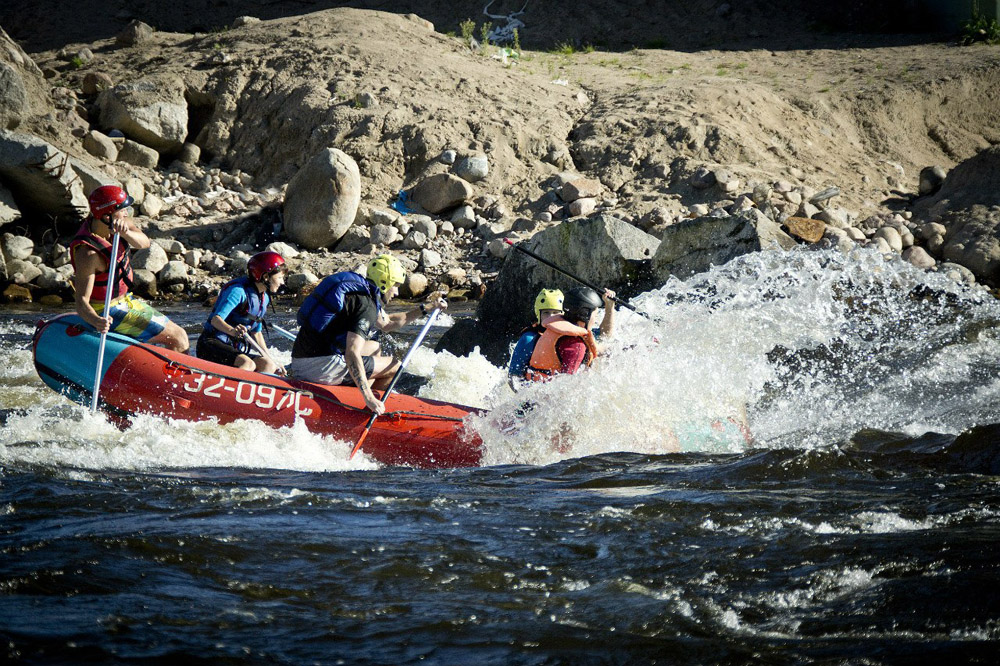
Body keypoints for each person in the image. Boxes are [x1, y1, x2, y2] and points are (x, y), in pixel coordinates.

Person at [289, 254, 447, 415]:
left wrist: (427, 308)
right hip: (320, 367)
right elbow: (352, 353)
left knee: (374, 348)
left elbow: (388, 323)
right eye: (396, 285)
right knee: (395, 366)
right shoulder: (366, 305)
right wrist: (368, 396)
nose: (397, 292)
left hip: (301, 359)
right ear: (385, 282)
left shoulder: (359, 291)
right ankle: (367, 409)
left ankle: (353, 394)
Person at [71, 185, 189, 352]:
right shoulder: (88, 254)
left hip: (126, 301)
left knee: (177, 335)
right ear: (106, 216)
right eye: (122, 209)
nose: (127, 212)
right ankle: (177, 377)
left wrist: (126, 234)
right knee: (179, 337)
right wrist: (97, 321)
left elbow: (144, 243)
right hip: (106, 309)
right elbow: (81, 302)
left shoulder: (121, 223)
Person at [197, 251, 286, 374]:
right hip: (210, 343)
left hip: (232, 348)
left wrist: (272, 360)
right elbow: (215, 320)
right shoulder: (237, 291)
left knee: (268, 365)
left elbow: (257, 333)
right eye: (280, 277)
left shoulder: (264, 297)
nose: (283, 282)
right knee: (247, 363)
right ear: (266, 277)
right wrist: (232, 331)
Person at [524, 286, 616, 381]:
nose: (595, 319)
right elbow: (565, 386)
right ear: (585, 316)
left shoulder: (554, 330)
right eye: (595, 315)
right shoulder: (576, 345)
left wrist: (610, 306)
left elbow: (604, 336)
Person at [508, 288, 563, 388]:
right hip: (532, 394)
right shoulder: (529, 339)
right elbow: (513, 377)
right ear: (539, 314)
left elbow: (600, 337)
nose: (551, 317)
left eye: (555, 313)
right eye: (546, 312)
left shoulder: (569, 337)